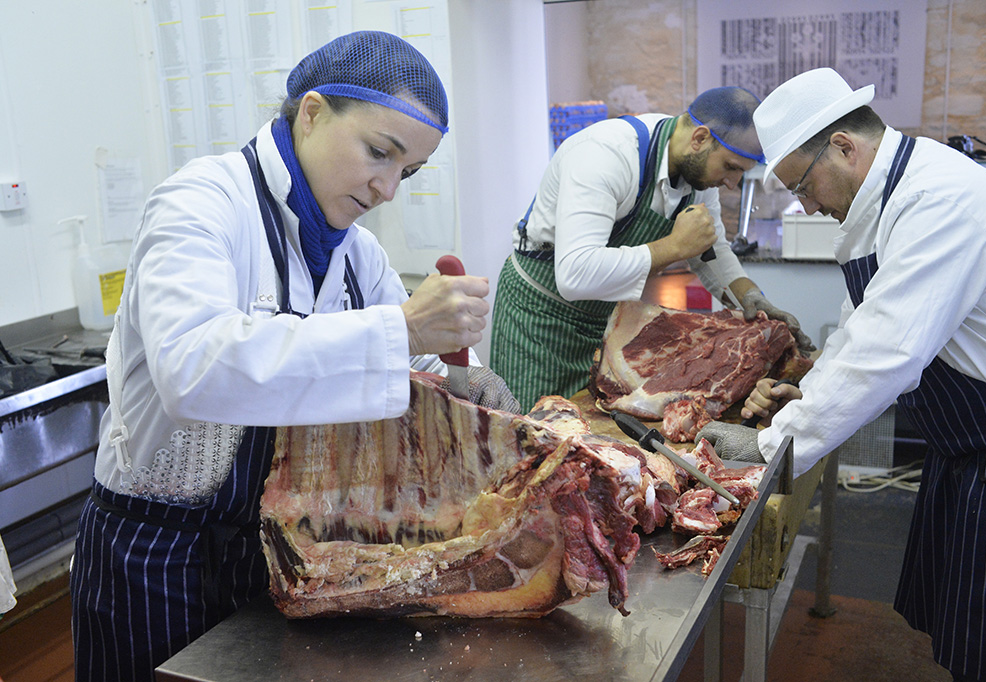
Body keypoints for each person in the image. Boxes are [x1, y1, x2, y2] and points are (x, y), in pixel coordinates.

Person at [70, 31, 516, 682]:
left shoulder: (357, 255)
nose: (389, 187)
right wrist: (406, 332)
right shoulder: (202, 203)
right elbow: (192, 369)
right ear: (311, 113)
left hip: (275, 544)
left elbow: (409, 370)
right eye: (379, 153)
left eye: (407, 172)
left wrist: (462, 389)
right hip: (155, 550)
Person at [697, 68, 986, 682]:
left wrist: (771, 443)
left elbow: (886, 353)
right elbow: (857, 330)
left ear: (844, 146)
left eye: (804, 185)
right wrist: (809, 393)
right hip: (969, 448)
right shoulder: (884, 201)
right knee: (968, 633)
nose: (808, 205)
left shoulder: (940, 202)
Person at [490, 87, 814, 410]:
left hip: (603, 321)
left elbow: (711, 249)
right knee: (533, 436)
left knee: (592, 440)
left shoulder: (696, 175)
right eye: (730, 167)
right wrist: (672, 247)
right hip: (540, 319)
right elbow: (575, 273)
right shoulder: (607, 154)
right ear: (700, 138)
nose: (732, 183)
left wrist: (750, 297)